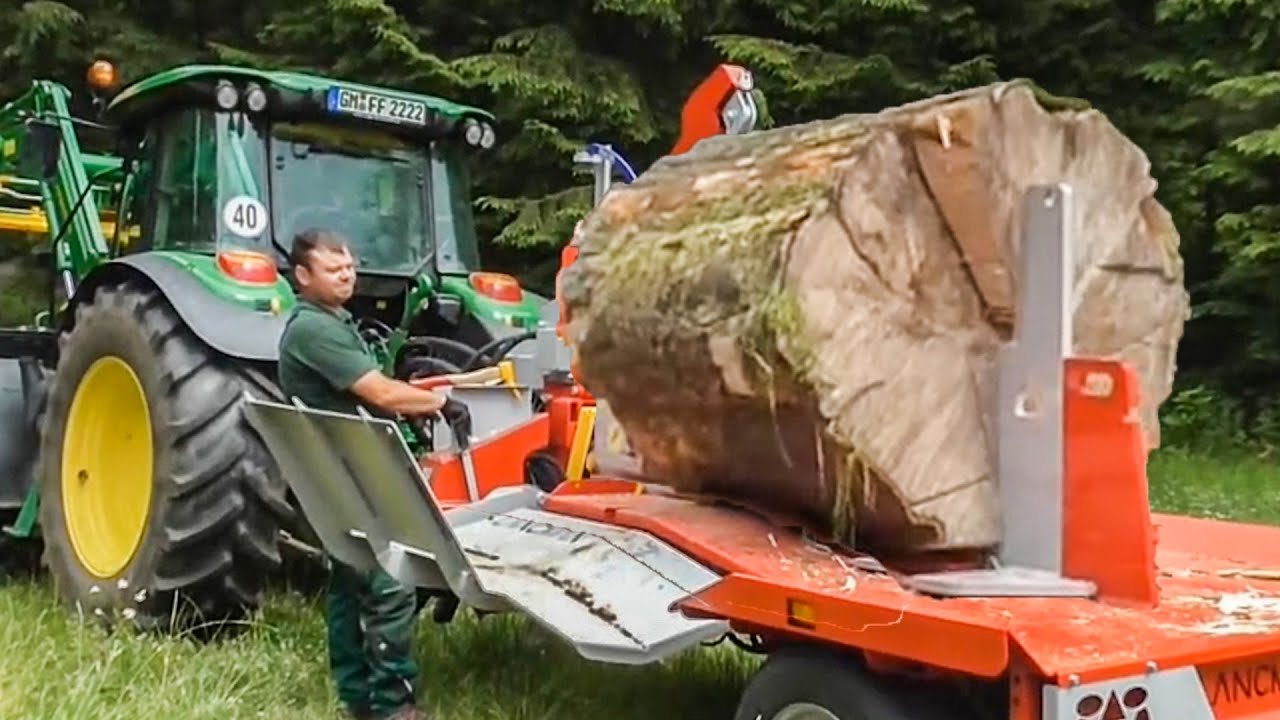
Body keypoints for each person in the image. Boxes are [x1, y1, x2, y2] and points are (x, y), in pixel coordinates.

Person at [277, 228, 452, 720]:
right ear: (303, 276)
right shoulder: (314, 330)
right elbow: (382, 395)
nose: (347, 275)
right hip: (350, 469)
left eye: (350, 266)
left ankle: (356, 695)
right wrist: (440, 403)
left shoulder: (331, 322)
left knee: (349, 581)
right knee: (392, 579)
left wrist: (428, 393)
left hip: (339, 468)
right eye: (334, 270)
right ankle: (392, 706)